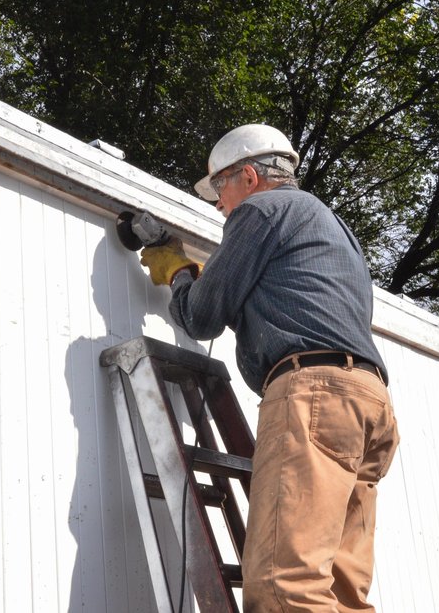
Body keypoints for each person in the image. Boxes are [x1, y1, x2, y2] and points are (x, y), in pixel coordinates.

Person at [139, 124, 400, 612]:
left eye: (220, 187)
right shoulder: (330, 227)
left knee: (286, 587)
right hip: (368, 406)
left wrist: (177, 272)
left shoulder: (262, 210)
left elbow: (200, 317)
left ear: (250, 178)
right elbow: (281, 301)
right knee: (342, 593)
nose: (219, 204)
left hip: (313, 396)